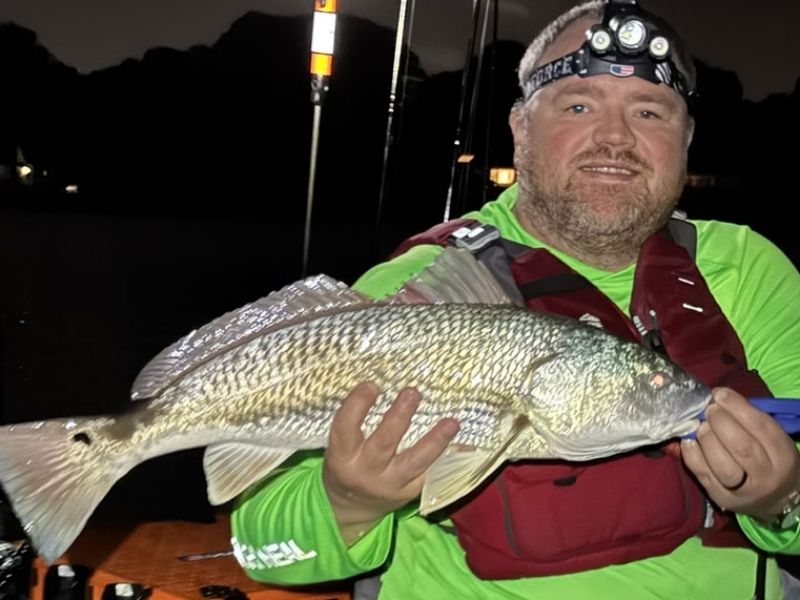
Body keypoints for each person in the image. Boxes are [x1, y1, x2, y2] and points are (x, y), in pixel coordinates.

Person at [230, 1, 800, 598]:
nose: (615, 138)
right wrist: (349, 500)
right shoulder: (416, 291)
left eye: (649, 111)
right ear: (520, 128)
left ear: (684, 140)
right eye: (578, 106)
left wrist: (782, 501)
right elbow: (261, 548)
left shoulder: (748, 266)